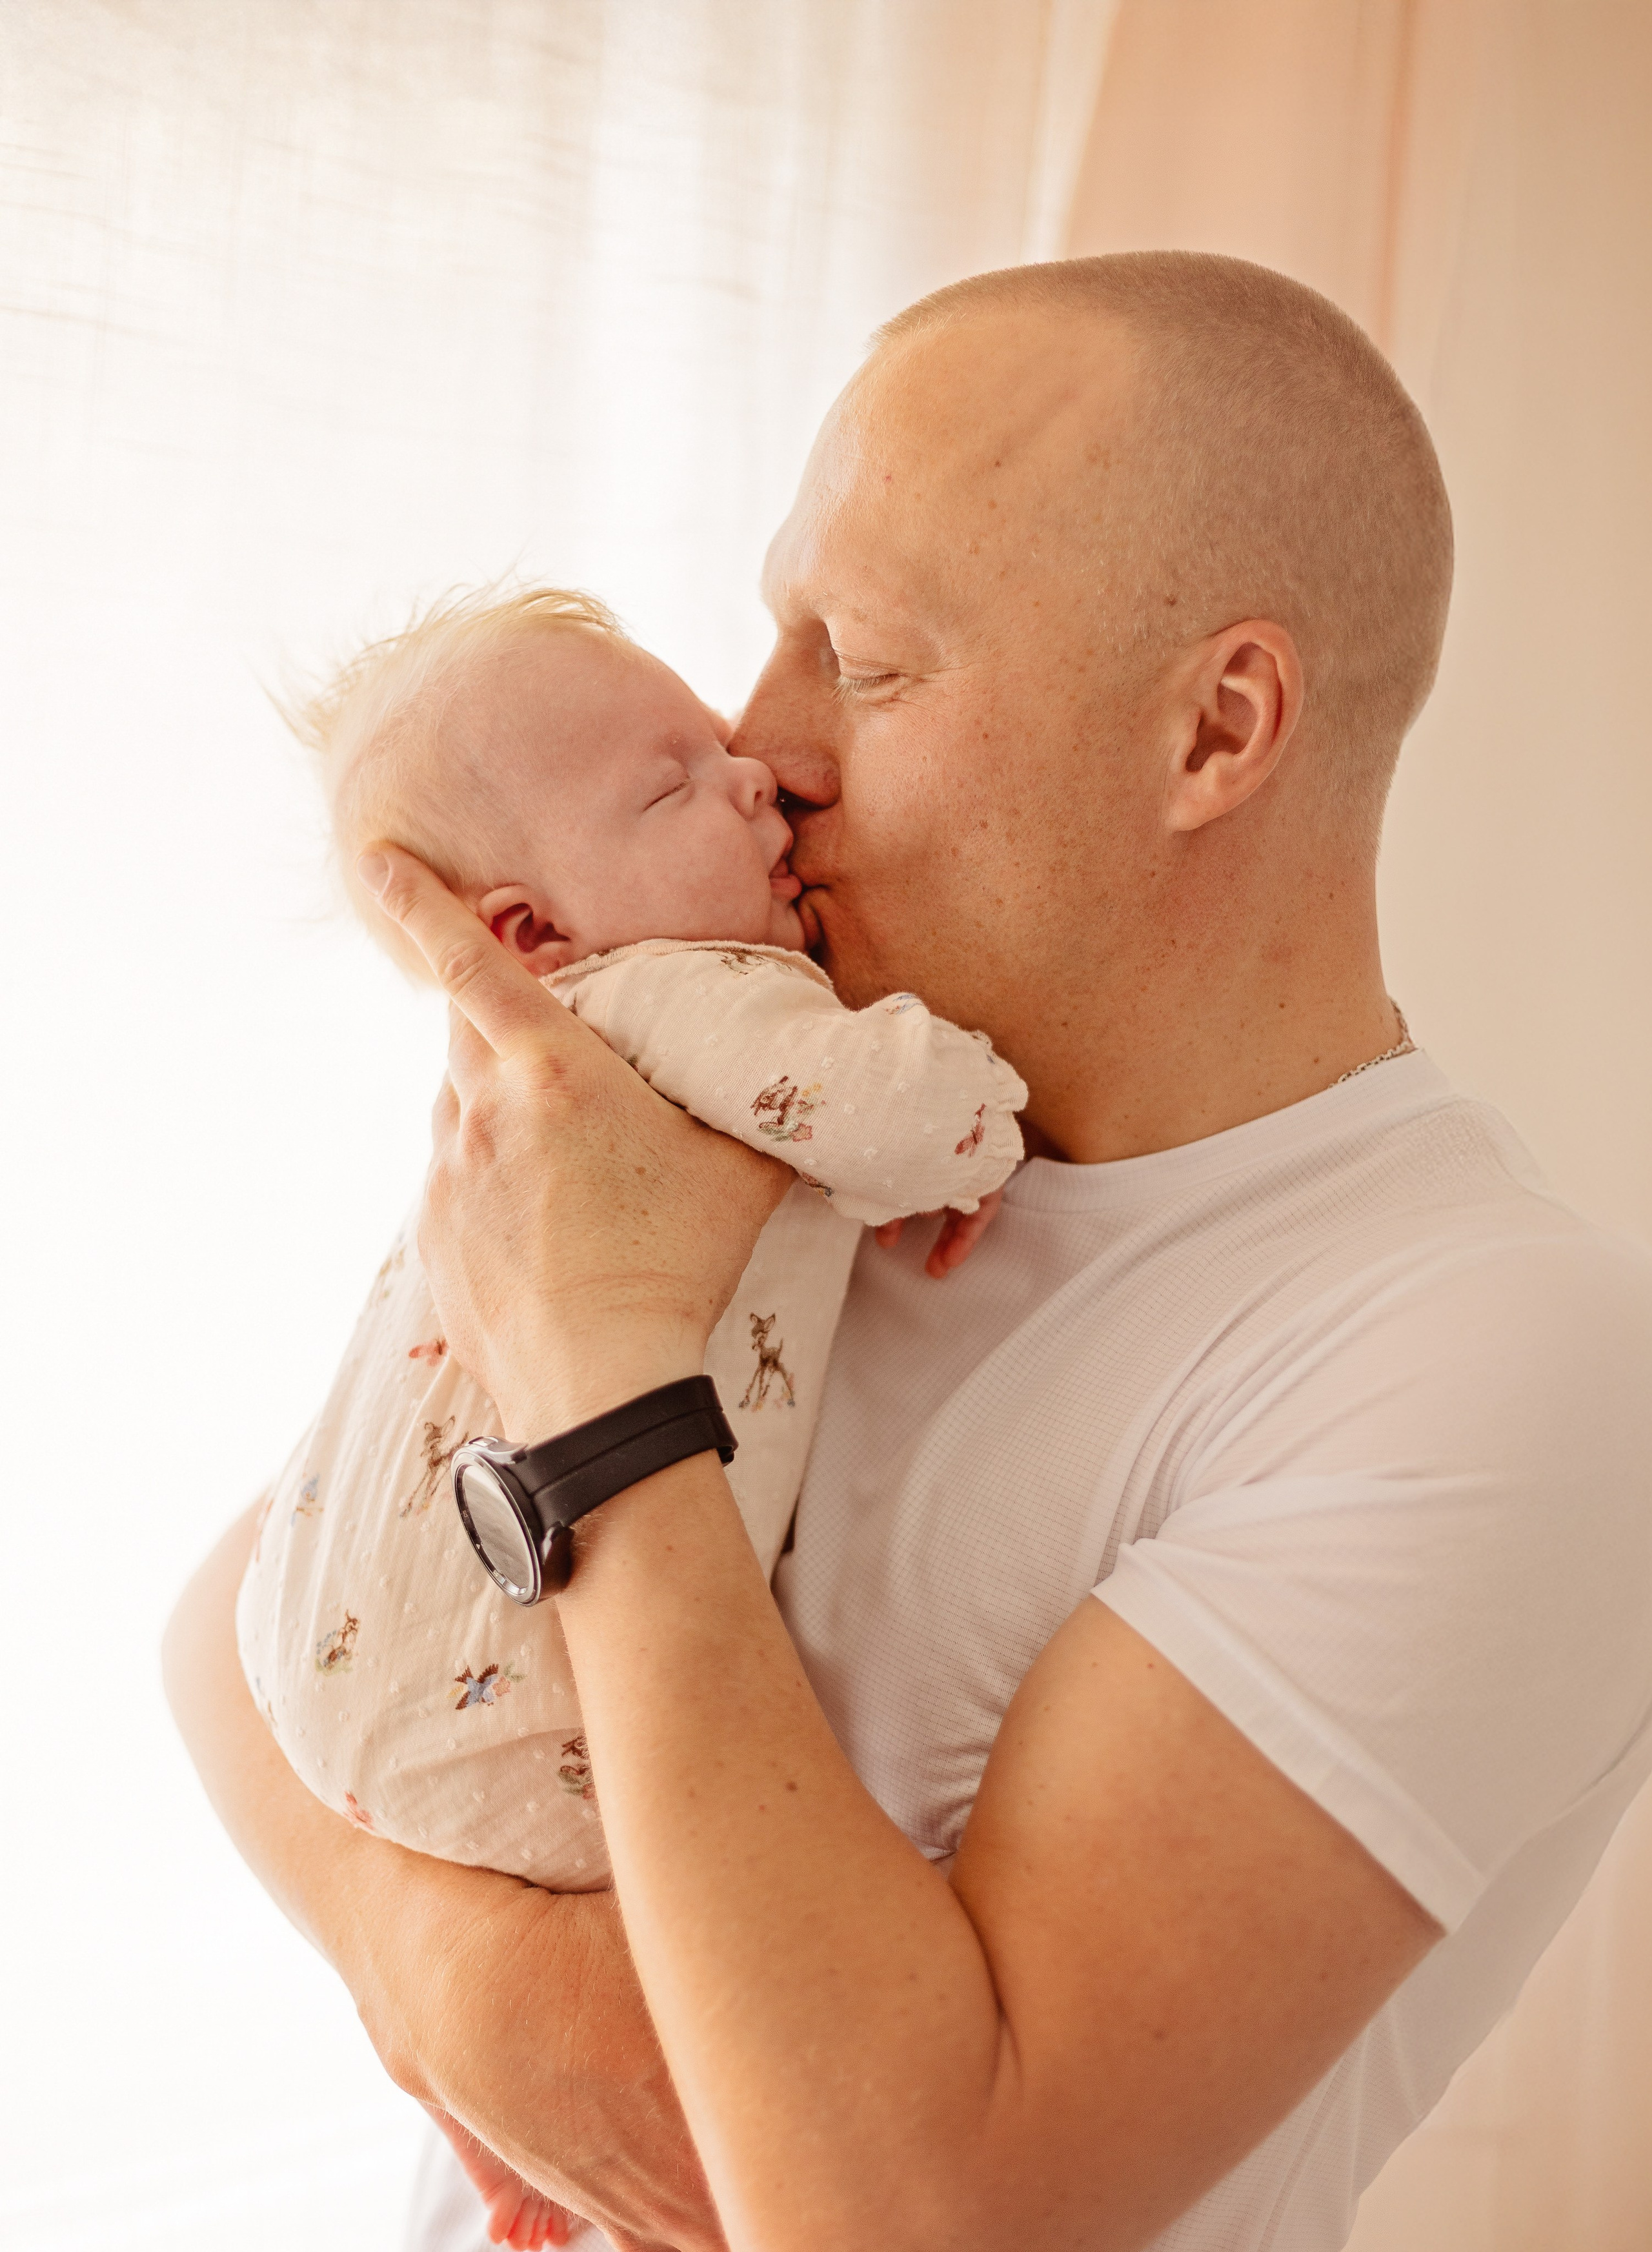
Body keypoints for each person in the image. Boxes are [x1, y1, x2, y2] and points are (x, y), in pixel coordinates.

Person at [165, 252, 1652, 2252]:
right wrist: (449, 1974)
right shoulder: (786, 1098)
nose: (760, 740)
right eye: (774, 633)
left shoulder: (1496, 1353)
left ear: (1215, 730)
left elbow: (904, 2208)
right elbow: (236, 1622)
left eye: (861, 664)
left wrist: (602, 1374)